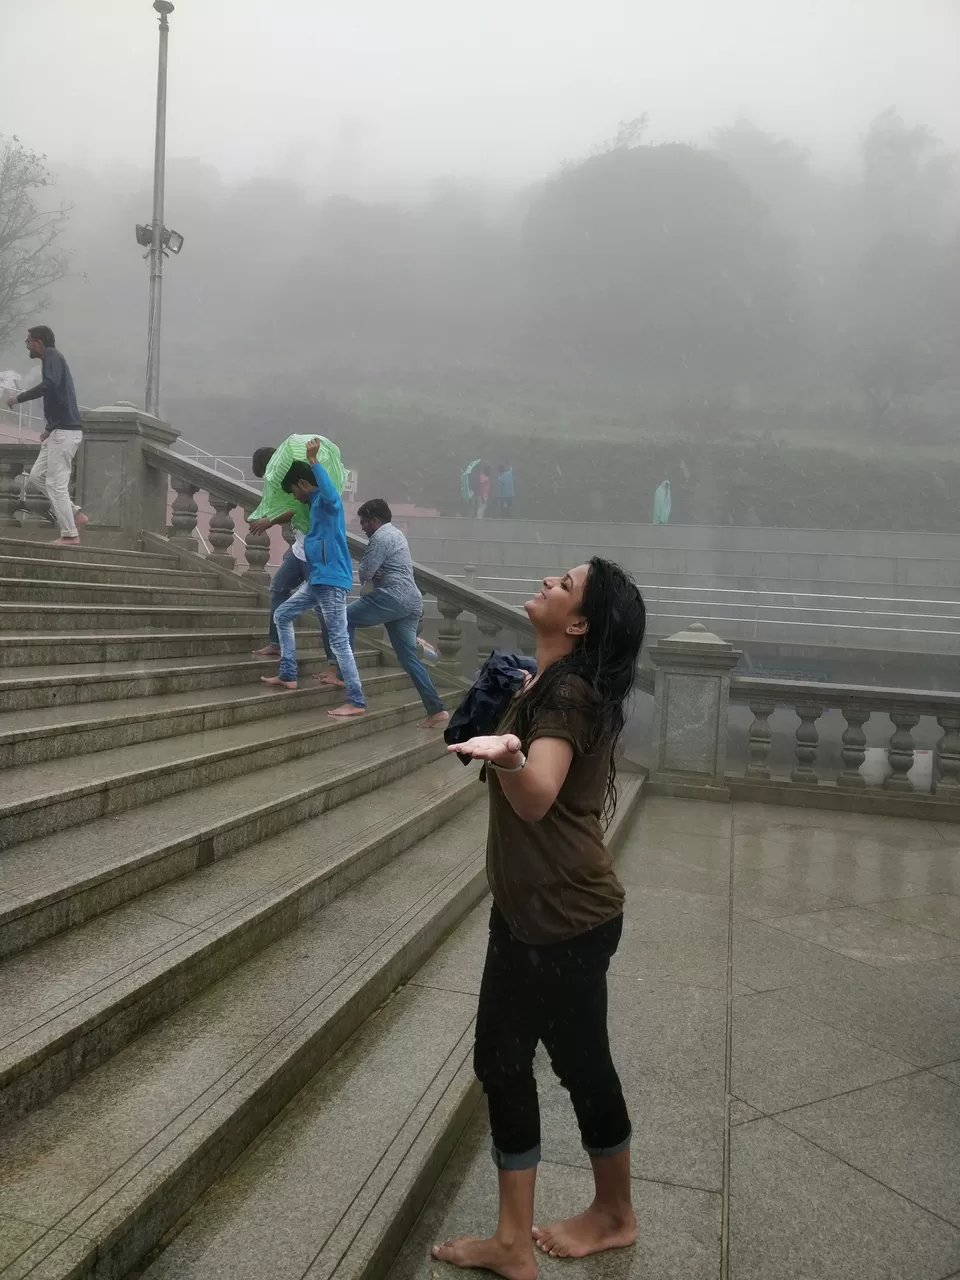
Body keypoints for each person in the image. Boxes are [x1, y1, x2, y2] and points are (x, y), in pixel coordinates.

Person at [432, 557, 646, 1279]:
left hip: (567, 917)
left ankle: (613, 1216)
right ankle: (512, 1241)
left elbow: (538, 795)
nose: (550, 582)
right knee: (501, 1060)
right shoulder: (548, 682)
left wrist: (511, 757)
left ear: (580, 623)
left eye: (566, 585)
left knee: (581, 1065)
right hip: (526, 911)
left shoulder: (568, 695)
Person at [315, 498, 448, 729]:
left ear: (374, 521)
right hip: (411, 602)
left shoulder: (380, 537)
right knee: (409, 658)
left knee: (341, 620)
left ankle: (348, 686)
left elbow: (365, 572)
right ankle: (436, 709)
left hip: (392, 596)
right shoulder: (397, 534)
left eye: (364, 522)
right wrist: (378, 571)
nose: (363, 528)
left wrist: (375, 571)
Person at [261, 437, 365, 717]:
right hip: (318, 579)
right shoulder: (314, 503)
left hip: (331, 580)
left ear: (304, 484)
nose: (295, 497)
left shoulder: (328, 501)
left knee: (339, 641)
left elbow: (329, 492)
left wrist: (314, 461)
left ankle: (356, 701)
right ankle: (288, 674)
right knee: (282, 615)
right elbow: (296, 508)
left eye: (295, 490)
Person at [247, 435, 347, 658]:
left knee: (324, 607)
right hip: (300, 548)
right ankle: (276, 643)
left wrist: (270, 520)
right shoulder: (288, 484)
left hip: (315, 553)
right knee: (278, 587)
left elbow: (298, 507)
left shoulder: (303, 480)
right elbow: (293, 505)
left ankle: (334, 661)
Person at [5, 326, 87, 546]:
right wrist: (49, 429)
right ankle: (74, 512)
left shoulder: (52, 356)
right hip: (58, 431)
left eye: (28, 342)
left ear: (38, 343)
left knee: (55, 484)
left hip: (65, 433)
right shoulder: (52, 359)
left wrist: (19, 398)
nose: (27, 346)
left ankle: (70, 534)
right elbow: (61, 398)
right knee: (37, 476)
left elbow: (49, 386)